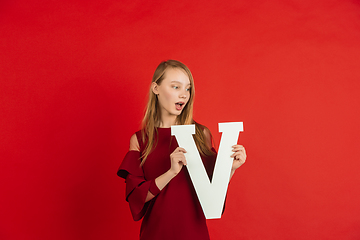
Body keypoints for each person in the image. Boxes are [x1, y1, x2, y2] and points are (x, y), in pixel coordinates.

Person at [117, 60, 247, 240]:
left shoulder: (202, 134)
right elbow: (138, 197)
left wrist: (230, 168)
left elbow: (212, 196)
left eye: (187, 89)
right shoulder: (140, 140)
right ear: (156, 88)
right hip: (156, 234)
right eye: (176, 87)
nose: (184, 95)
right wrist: (171, 172)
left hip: (194, 233)